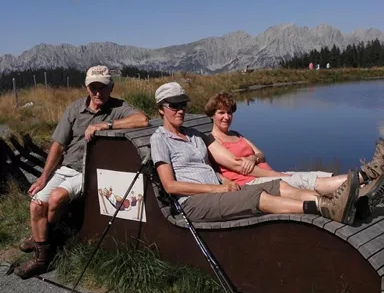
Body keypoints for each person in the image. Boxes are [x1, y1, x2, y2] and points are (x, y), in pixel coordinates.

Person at [150, 82, 368, 228]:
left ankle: (341, 204)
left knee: (279, 185)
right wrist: (217, 187)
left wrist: (224, 180)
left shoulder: (195, 135)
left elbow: (210, 168)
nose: (180, 110)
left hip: (219, 192)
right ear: (161, 109)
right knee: (257, 197)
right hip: (194, 203)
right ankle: (323, 208)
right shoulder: (159, 139)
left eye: (183, 105)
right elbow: (170, 186)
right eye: (174, 106)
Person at [14, 65, 149, 279]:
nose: (98, 93)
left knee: (56, 197)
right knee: (37, 203)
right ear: (87, 87)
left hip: (89, 171)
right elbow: (58, 145)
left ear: (111, 87)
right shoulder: (75, 109)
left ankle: (42, 254)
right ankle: (44, 240)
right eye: (93, 87)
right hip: (67, 167)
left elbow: (142, 120)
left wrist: (106, 125)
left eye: (103, 87)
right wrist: (43, 177)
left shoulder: (118, 107)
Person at [203, 92, 384, 218]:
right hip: (252, 183)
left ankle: (359, 201)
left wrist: (253, 158)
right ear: (212, 115)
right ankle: (369, 174)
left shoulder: (236, 134)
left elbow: (261, 154)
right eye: (221, 113)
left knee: (316, 179)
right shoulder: (212, 141)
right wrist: (279, 175)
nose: (226, 117)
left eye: (229, 112)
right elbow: (239, 167)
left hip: (272, 176)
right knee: (312, 181)